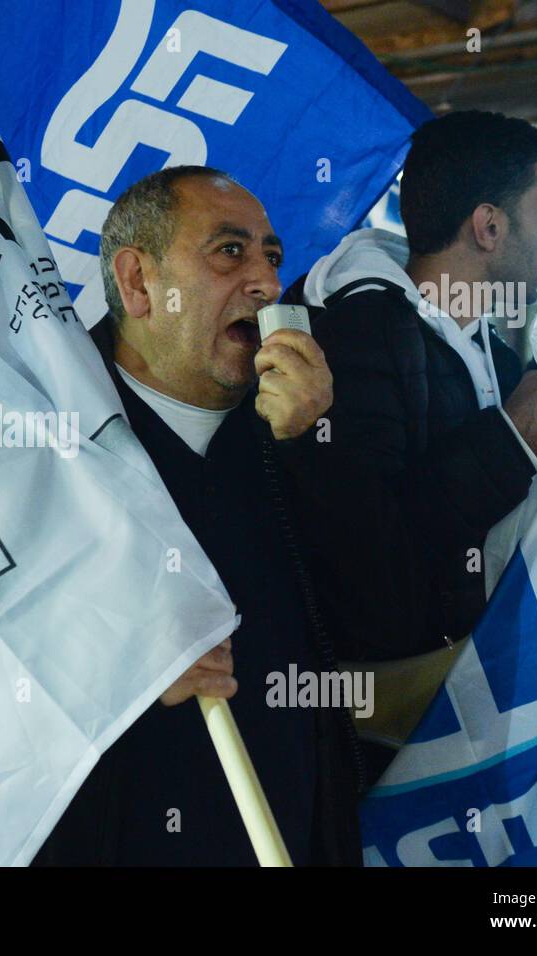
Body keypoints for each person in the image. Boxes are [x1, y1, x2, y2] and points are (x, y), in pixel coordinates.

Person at [33, 167, 363, 867]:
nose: (269, 286)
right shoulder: (46, 443)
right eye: (229, 252)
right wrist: (112, 661)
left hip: (289, 821)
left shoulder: (299, 426)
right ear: (137, 282)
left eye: (272, 257)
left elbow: (375, 611)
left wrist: (315, 447)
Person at [277, 111, 537, 780]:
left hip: (463, 685)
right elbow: (370, 561)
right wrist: (513, 440)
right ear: (488, 227)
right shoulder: (358, 337)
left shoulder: (474, 330)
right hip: (378, 729)